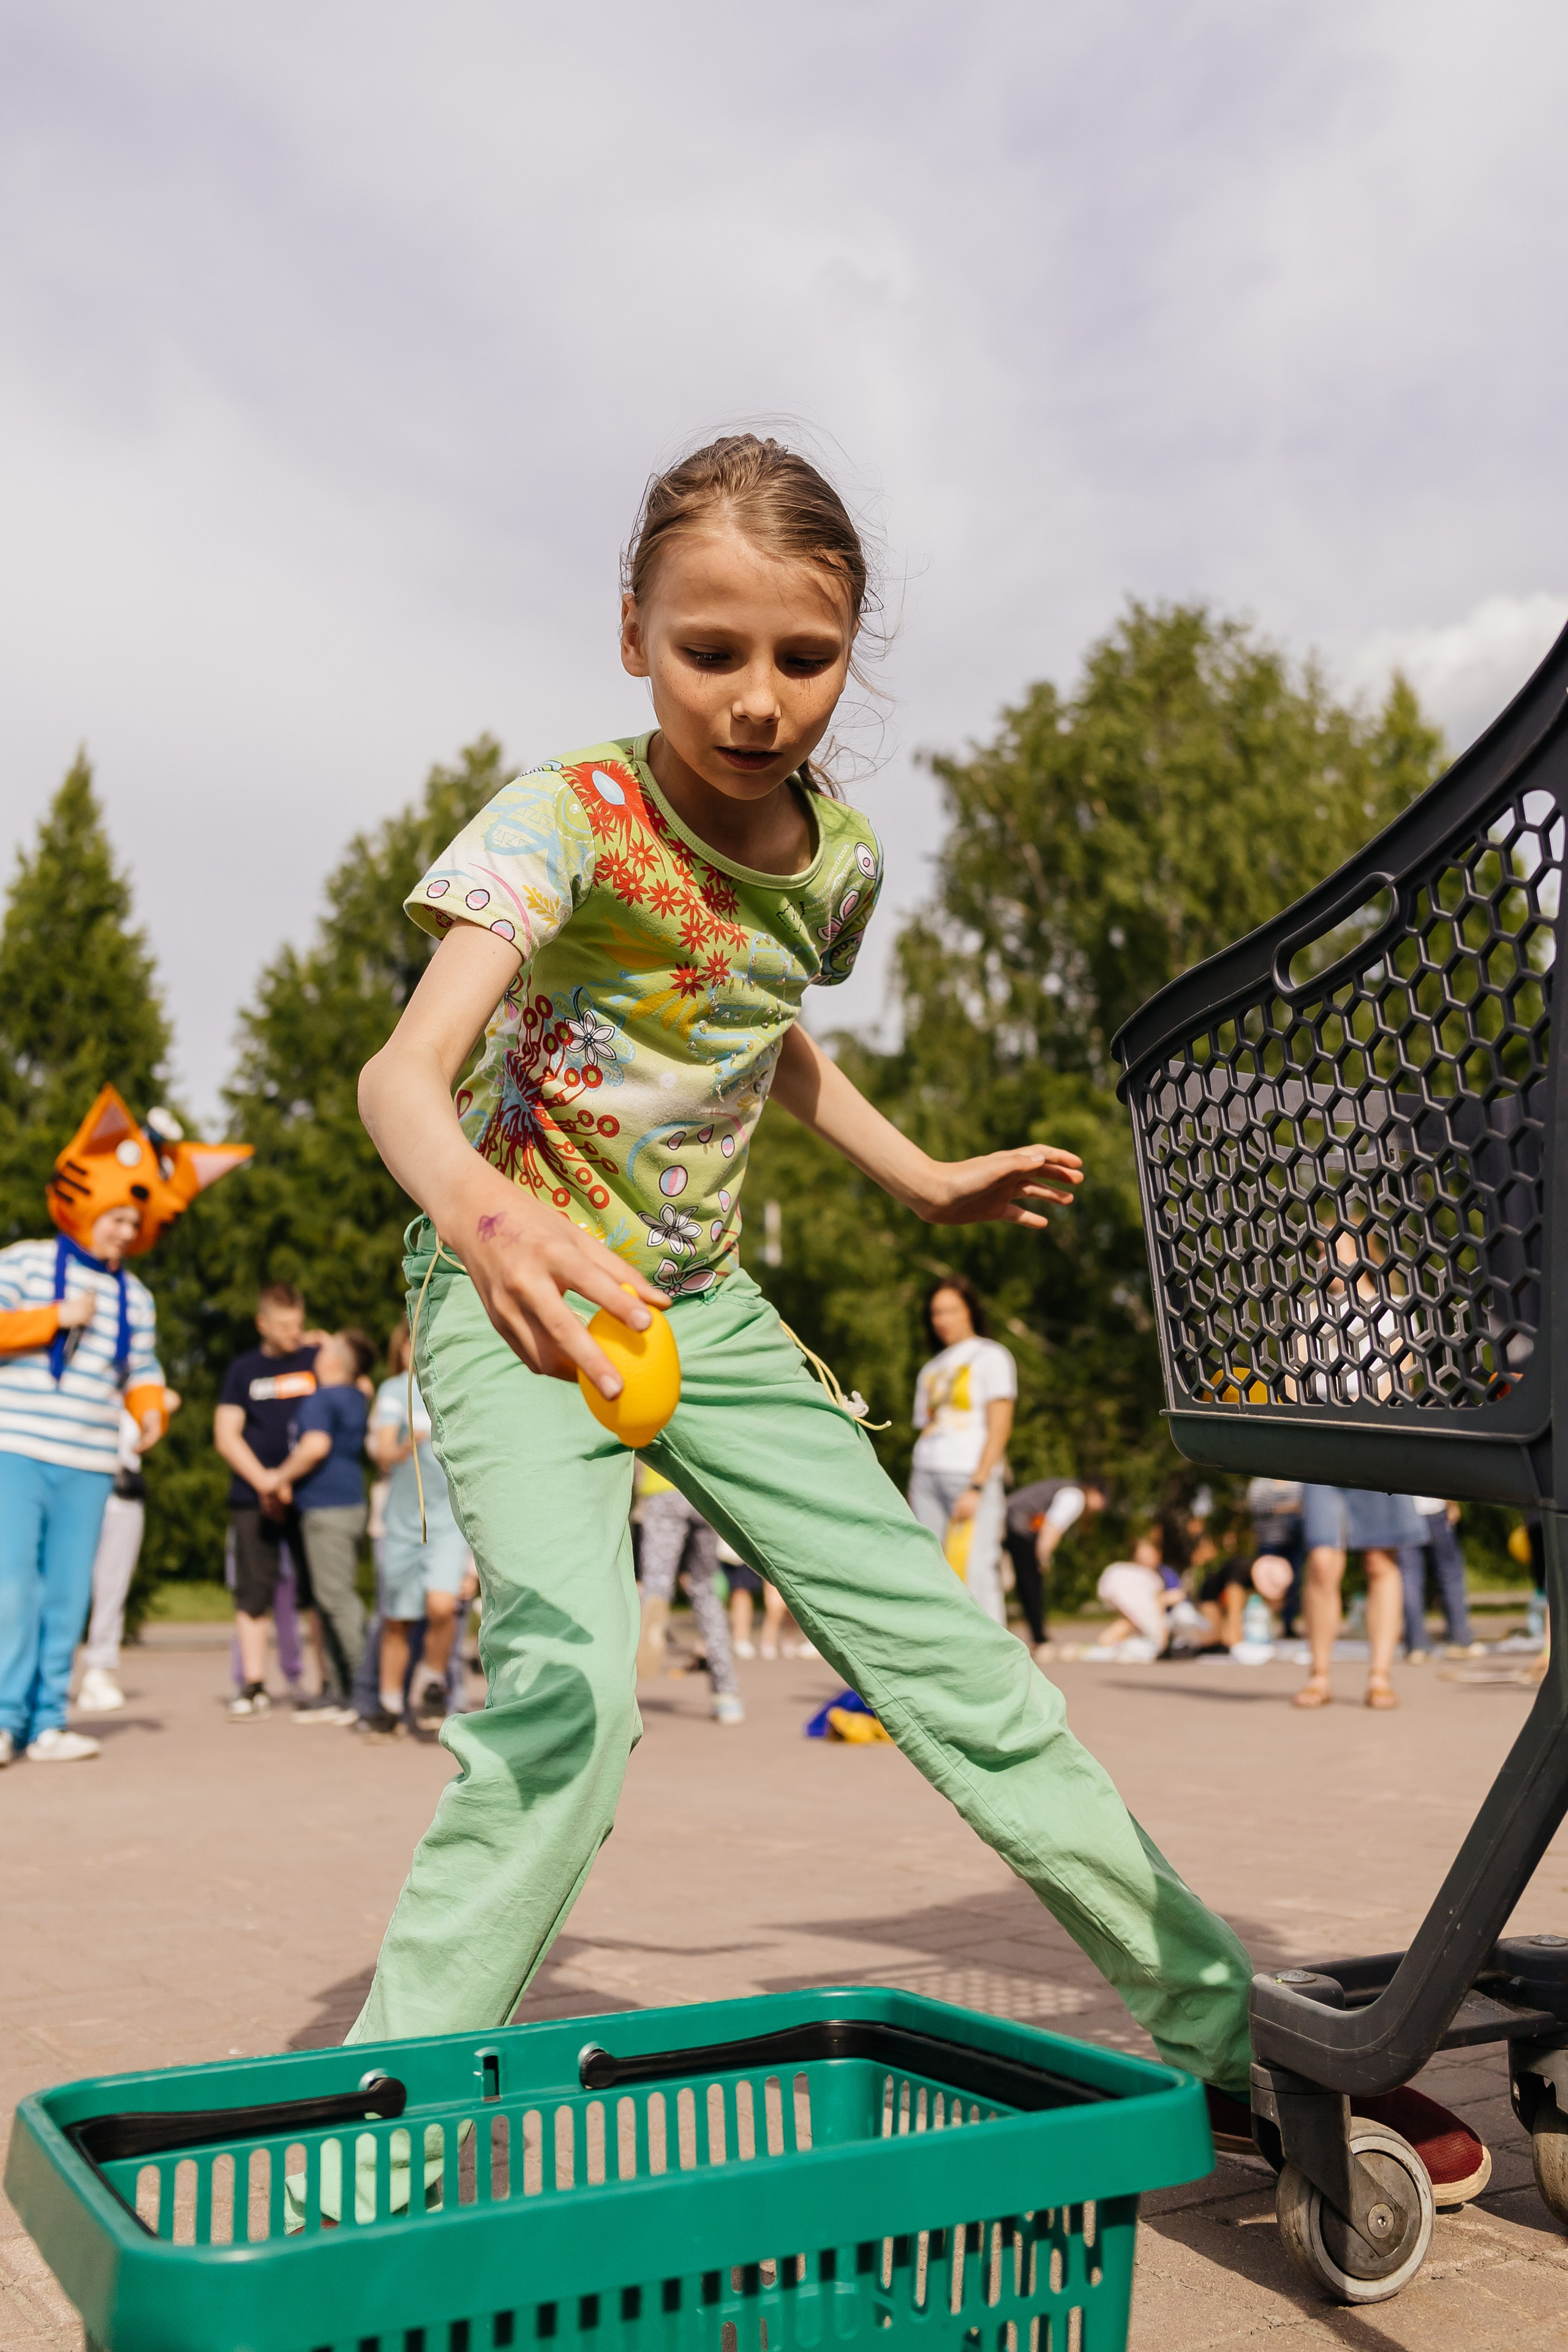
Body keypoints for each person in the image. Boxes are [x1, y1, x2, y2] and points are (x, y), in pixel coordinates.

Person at [345, 432, 1488, 2197]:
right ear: (631, 633)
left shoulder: (838, 862)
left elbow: (759, 1026)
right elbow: (402, 1075)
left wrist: (918, 1172)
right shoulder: (561, 821)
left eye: (802, 660)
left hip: (706, 1313)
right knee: (571, 1691)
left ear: (851, 649)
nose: (753, 701)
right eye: (706, 652)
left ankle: (1226, 2050)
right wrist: (481, 1214)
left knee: (966, 1671)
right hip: (519, 1288)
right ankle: (382, 2150)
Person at [0, 1085, 248, 1763]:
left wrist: (146, 1411)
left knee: (67, 1594)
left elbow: (140, 1366)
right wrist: (52, 1319)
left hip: (88, 1461)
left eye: (129, 1222)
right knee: (11, 1586)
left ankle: (47, 1721)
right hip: (15, 1449)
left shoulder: (134, 1296)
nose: (121, 1230)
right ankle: (4, 1715)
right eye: (114, 1216)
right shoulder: (21, 1262)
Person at [214, 1284, 334, 1719]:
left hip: (310, 1494)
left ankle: (327, 1683)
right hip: (253, 1495)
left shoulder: (318, 1359)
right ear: (262, 1323)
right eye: (284, 1325)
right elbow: (226, 1434)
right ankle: (253, 1685)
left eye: (299, 1323)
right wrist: (265, 1481)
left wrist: (331, 1345)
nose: (294, 1332)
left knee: (315, 1593)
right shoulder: (244, 1370)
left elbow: (356, 1390)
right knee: (252, 1593)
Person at [363, 1323, 470, 1736]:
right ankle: (389, 1707)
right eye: (411, 1339)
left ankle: (431, 1681)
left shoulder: (456, 1386)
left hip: (447, 1525)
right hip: (404, 1525)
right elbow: (383, 1448)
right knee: (398, 1618)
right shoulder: (394, 1390)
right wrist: (400, 1449)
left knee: (443, 1607)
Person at [260, 1330, 374, 1713]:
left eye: (325, 1349)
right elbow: (362, 1374)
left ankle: (362, 1689)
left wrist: (280, 1477)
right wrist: (337, 1345)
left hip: (328, 1510)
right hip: (350, 1505)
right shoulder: (357, 1396)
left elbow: (315, 1446)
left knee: (336, 1599)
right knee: (330, 1599)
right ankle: (341, 1690)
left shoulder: (322, 1399)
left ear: (334, 1362)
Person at [907, 1277, 1016, 1628]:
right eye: (936, 1312)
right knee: (931, 1574)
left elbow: (999, 1426)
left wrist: (979, 1485)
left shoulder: (991, 1355)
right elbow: (928, 1426)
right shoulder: (932, 1368)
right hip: (926, 1474)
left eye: (951, 1310)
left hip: (969, 1475)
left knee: (975, 1570)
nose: (943, 1319)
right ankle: (942, 1662)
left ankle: (998, 1669)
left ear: (970, 1310)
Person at [75, 1390, 181, 1712]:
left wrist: (126, 1388)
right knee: (64, 1585)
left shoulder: (131, 1400)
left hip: (122, 1494)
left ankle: (99, 1670)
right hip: (78, 1487)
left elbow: (171, 1399)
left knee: (113, 1584)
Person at [1294, 1485, 1422, 1710]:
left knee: (1380, 1560)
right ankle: (1319, 1674)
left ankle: (1380, 1676)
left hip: (1377, 1454)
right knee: (1322, 1562)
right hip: (1323, 1453)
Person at [634, 1463, 744, 1723]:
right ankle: (727, 1697)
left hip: (662, 1490)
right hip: (702, 1492)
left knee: (657, 1583)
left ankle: (627, 1688)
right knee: (705, 1589)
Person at [1001, 1477, 1107, 1658]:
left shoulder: (1069, 1489)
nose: (1103, 1506)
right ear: (1095, 1492)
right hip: (1019, 1525)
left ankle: (1038, 1636)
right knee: (1032, 1585)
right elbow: (1053, 1526)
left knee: (1023, 1584)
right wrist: (1044, 1556)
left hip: (1010, 1521)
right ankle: (1040, 1638)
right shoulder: (1076, 1497)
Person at [1399, 1498, 1479, 1661]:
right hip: (1435, 1508)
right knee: (1450, 1573)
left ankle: (1416, 1645)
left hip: (1404, 1511)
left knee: (1409, 1577)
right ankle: (1460, 1639)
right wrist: (1452, 1503)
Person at [1087, 1532, 1185, 1659]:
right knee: (1130, 1621)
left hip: (1168, 1617)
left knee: (1131, 1622)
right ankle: (1112, 1642)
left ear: (1158, 1554)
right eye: (1143, 1556)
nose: (1146, 1559)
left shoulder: (1164, 1574)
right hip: (1150, 1619)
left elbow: (1177, 1595)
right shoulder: (1136, 1577)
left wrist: (1163, 1599)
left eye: (1149, 1555)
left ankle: (1112, 1642)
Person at [1245, 1476, 1304, 1636]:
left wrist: (1277, 1508)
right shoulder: (1260, 1484)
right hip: (1268, 1543)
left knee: (1292, 1584)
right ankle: (1266, 1622)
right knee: (1266, 1585)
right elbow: (1257, 1507)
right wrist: (1289, 1508)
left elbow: (1305, 1507)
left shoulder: (1298, 1483)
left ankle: (1288, 1622)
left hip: (1294, 1542)